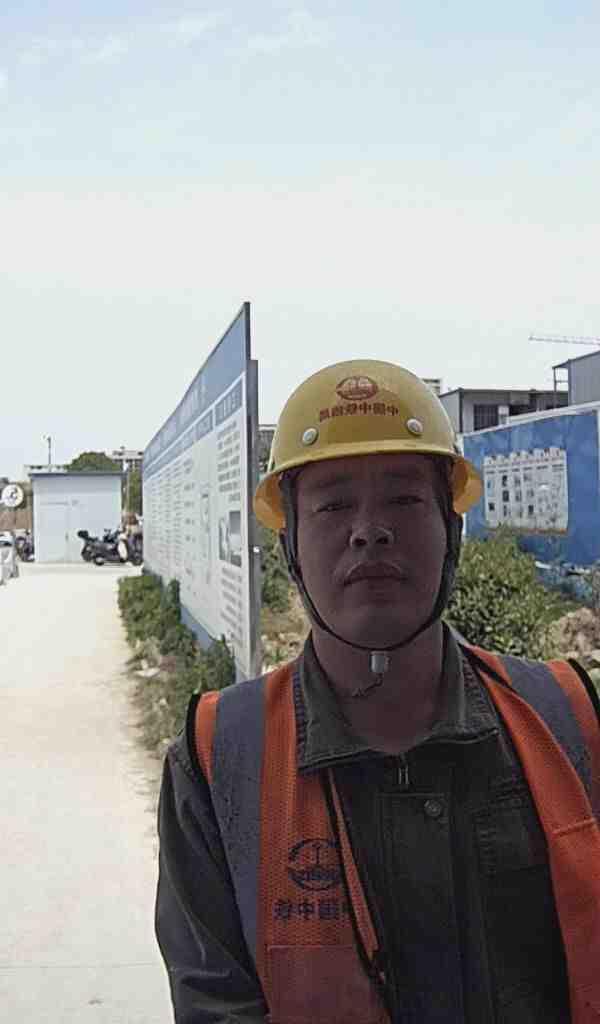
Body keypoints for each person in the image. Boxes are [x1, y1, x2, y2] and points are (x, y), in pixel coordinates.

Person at [155, 360, 600, 1023]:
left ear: (452, 531)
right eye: (333, 505)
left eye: (404, 499)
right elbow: (214, 1003)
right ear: (291, 545)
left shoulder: (568, 719)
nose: (369, 530)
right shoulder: (218, 759)